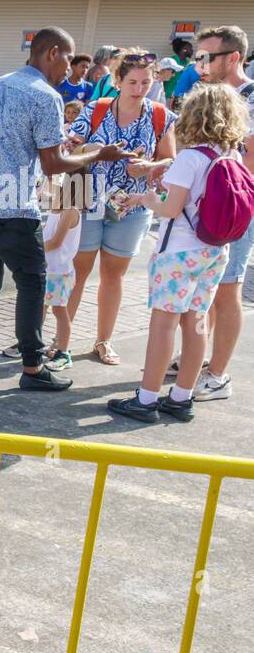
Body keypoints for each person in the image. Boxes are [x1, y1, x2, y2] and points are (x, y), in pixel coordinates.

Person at [0, 26, 134, 390]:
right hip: (12, 205)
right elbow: (53, 164)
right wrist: (101, 152)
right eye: (68, 58)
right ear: (51, 53)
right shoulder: (45, 96)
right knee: (33, 281)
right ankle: (34, 368)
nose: (71, 68)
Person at [108, 83, 250, 423]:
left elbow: (170, 209)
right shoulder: (230, 155)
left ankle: (146, 399)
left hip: (179, 253)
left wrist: (145, 198)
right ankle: (182, 397)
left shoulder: (191, 158)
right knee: (197, 322)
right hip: (214, 251)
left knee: (163, 323)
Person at [64, 50, 177, 366]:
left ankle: (103, 341)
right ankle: (61, 342)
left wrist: (150, 166)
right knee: (78, 272)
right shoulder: (96, 109)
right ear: (117, 81)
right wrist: (100, 152)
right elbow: (69, 149)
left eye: (145, 82)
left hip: (132, 208)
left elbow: (171, 159)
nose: (139, 89)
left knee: (113, 276)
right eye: (132, 82)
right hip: (87, 203)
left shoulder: (159, 115)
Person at [168, 25, 254, 401]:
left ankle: (217, 375)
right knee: (208, 288)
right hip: (205, 206)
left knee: (228, 287)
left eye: (208, 57)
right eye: (198, 57)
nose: (199, 64)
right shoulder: (212, 95)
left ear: (234, 58)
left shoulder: (250, 98)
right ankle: (197, 359)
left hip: (233, 208)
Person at [42, 200, 82, 371]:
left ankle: (63, 353)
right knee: (40, 308)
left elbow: (56, 242)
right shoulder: (56, 209)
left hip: (59, 272)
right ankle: (30, 343)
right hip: (48, 269)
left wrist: (32, 248)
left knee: (59, 311)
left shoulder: (70, 210)